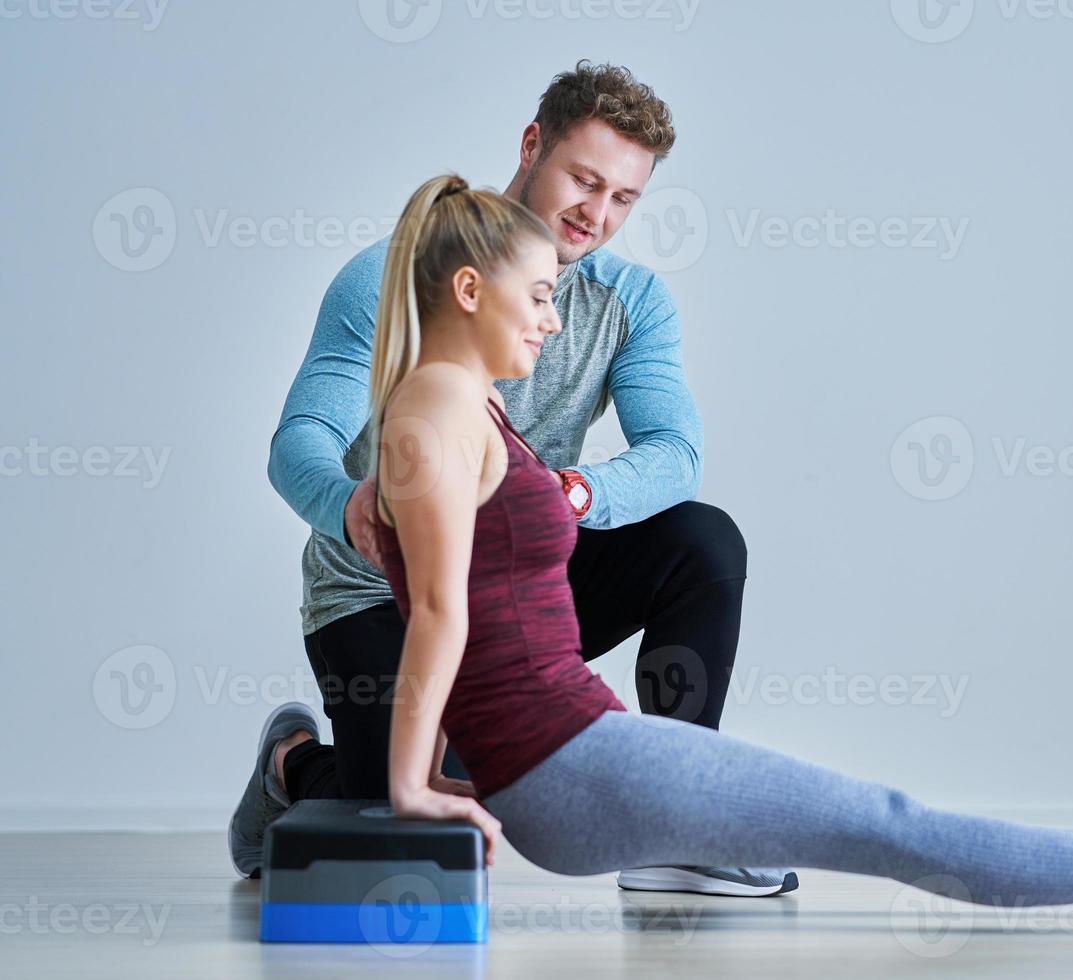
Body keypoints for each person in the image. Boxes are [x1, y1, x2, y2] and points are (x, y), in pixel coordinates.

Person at [361, 173, 1073, 932]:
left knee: (882, 820)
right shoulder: (441, 402)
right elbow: (441, 613)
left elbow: (451, 570)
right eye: (536, 293)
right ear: (467, 287)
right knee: (888, 821)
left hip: (564, 754)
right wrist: (413, 781)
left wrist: (376, 506)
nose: (551, 314)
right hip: (567, 762)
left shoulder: (453, 404)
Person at [230, 62, 795, 897]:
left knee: (702, 540)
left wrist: (570, 495)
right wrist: (350, 507)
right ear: (532, 145)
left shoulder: (628, 301)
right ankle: (293, 768)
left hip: (516, 580)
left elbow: (675, 452)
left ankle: (679, 825)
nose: (596, 215)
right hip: (384, 590)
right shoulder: (396, 277)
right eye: (585, 179)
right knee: (421, 815)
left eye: (624, 199)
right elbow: (300, 441)